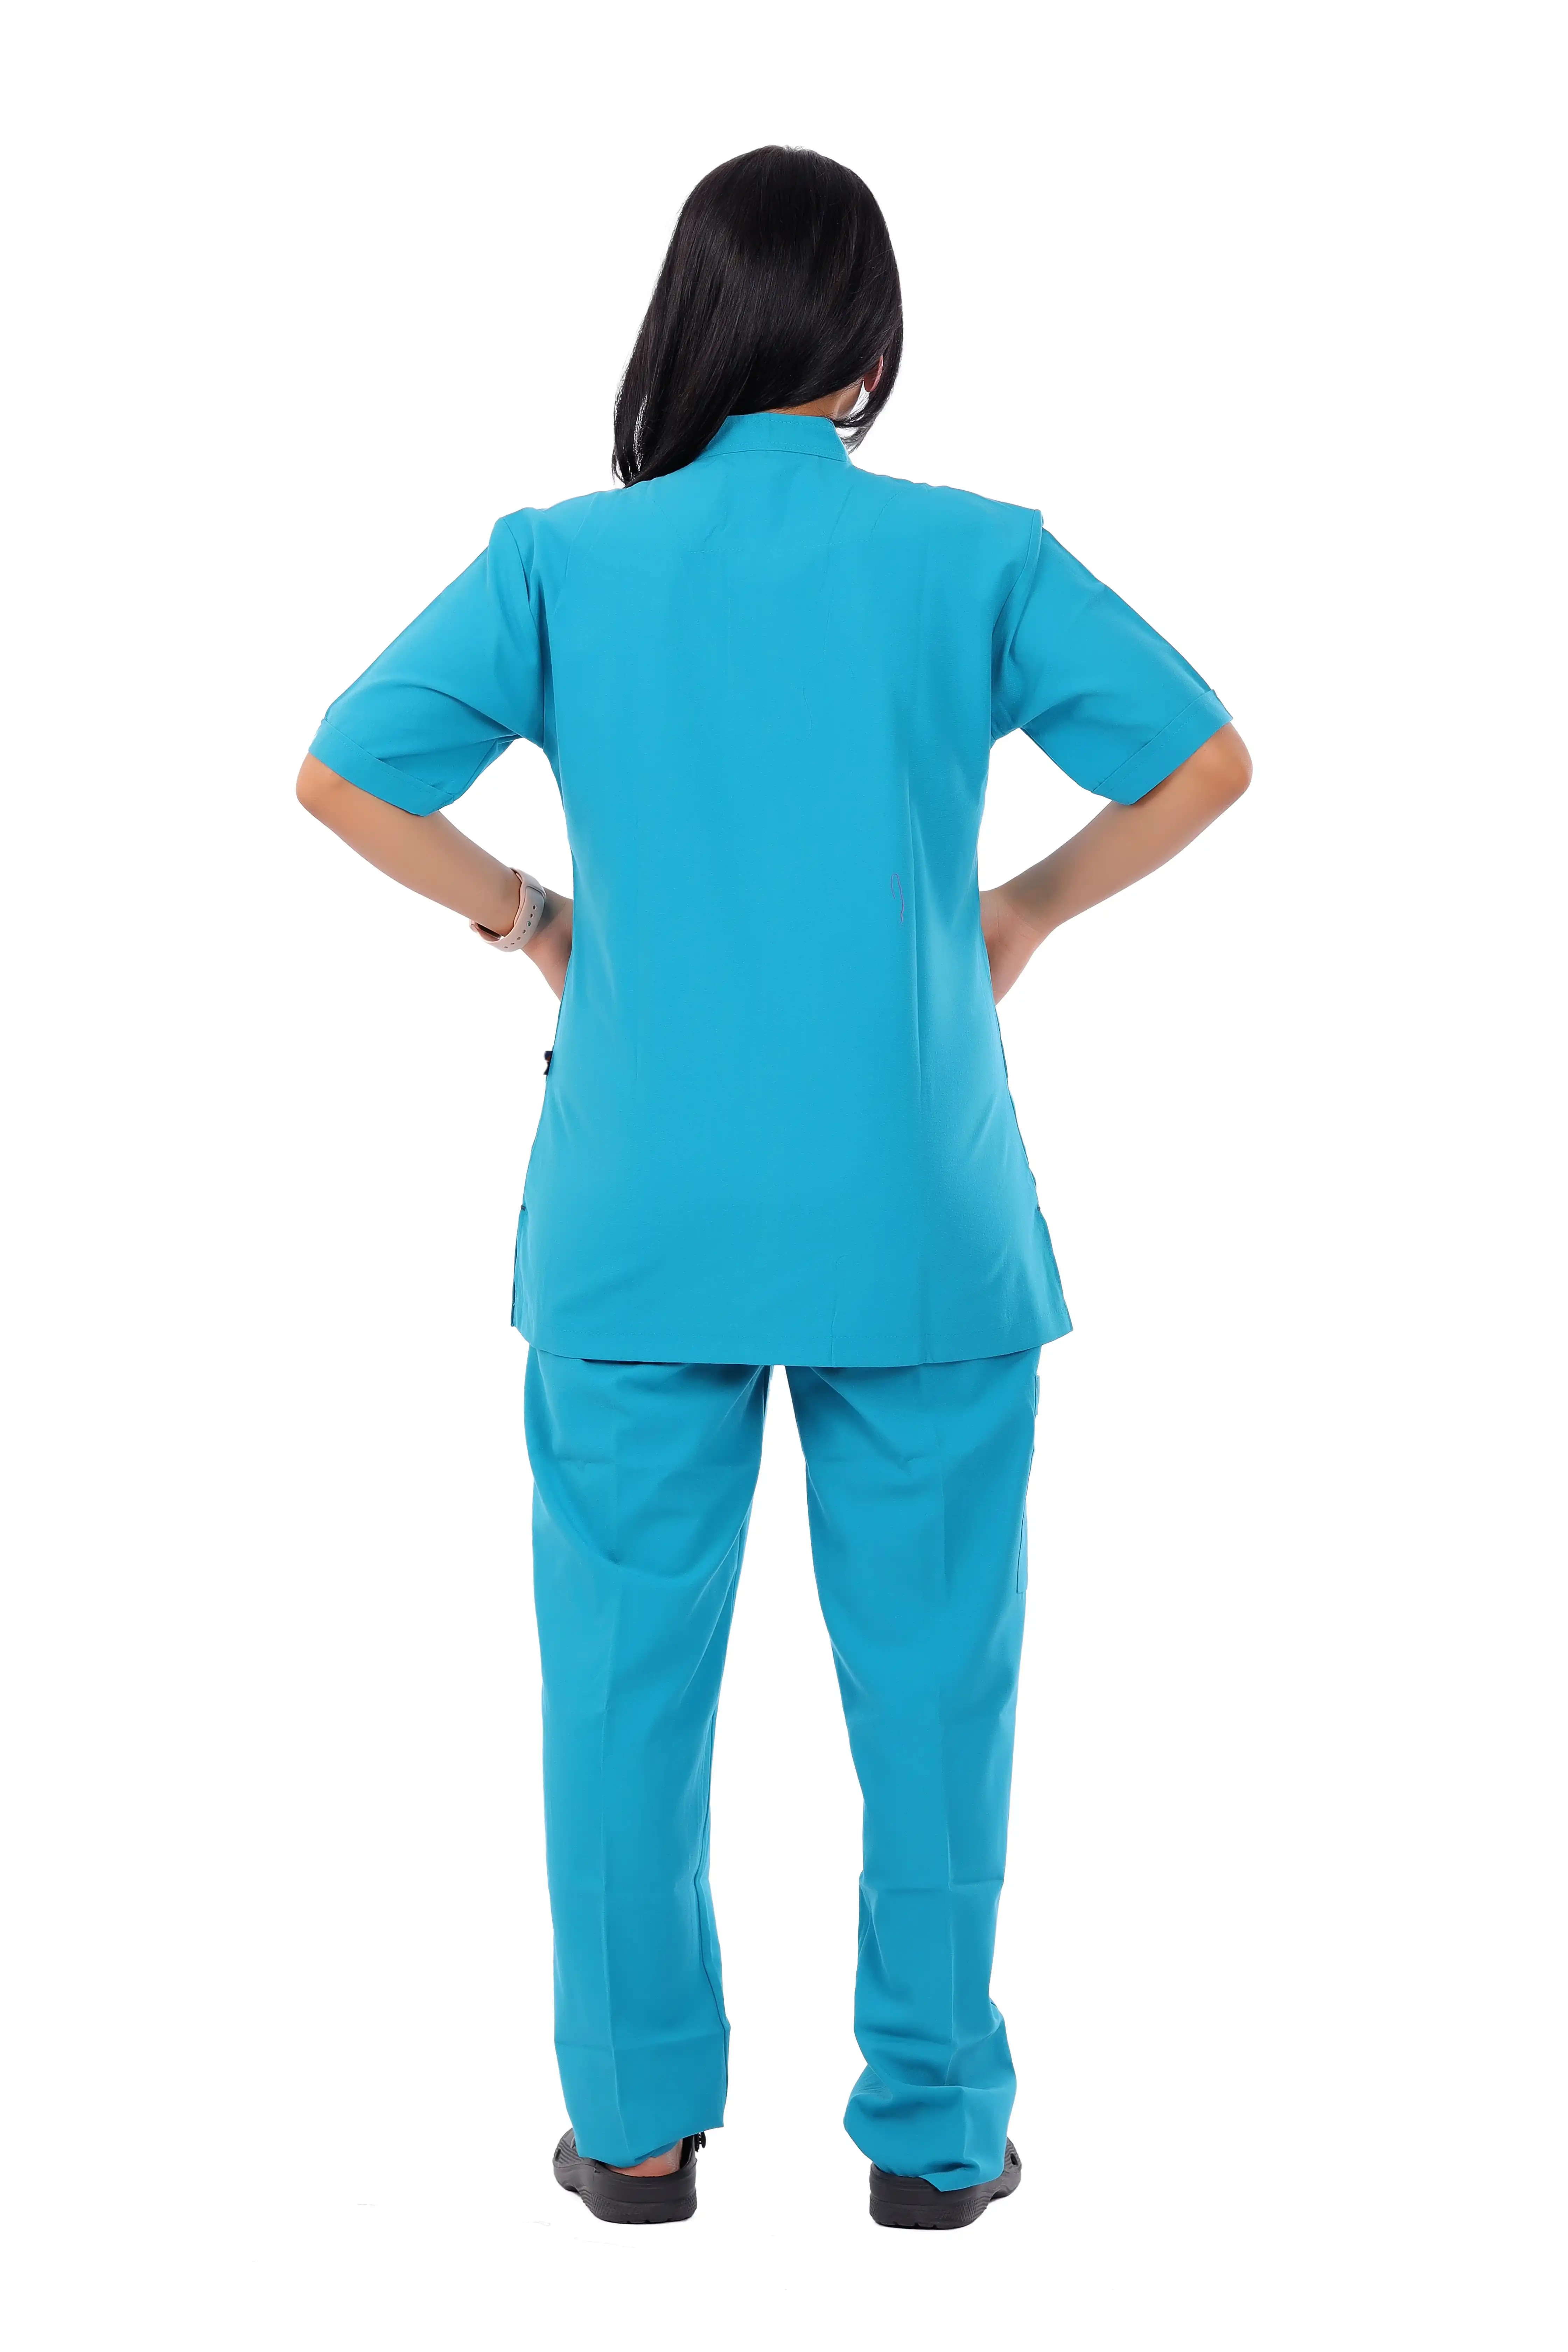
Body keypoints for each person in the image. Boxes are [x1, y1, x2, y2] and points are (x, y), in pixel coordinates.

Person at [297, 144, 1251, 2231]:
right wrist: (1023, 913)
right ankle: (935, 2139)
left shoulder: (563, 563)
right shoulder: (975, 556)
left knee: (621, 1694)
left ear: (692, 322)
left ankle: (635, 2131)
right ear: (871, 344)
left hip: (640, 1213)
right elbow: (1205, 758)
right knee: (936, 1700)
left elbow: (345, 772)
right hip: (917, 1214)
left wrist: (530, 918)